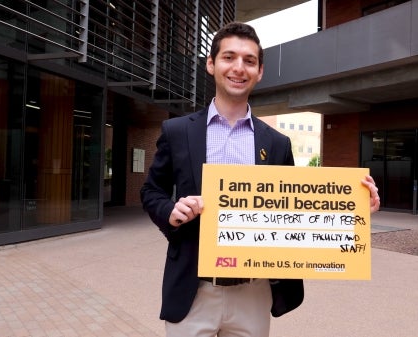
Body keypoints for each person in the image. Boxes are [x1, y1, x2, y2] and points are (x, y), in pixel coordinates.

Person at [140, 21, 381, 337]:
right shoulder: (177, 131)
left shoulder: (277, 143)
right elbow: (151, 190)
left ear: (259, 71)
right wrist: (170, 212)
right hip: (193, 288)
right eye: (229, 57)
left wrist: (352, 210)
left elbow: (292, 213)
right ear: (211, 64)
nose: (238, 67)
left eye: (249, 60)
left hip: (253, 293)